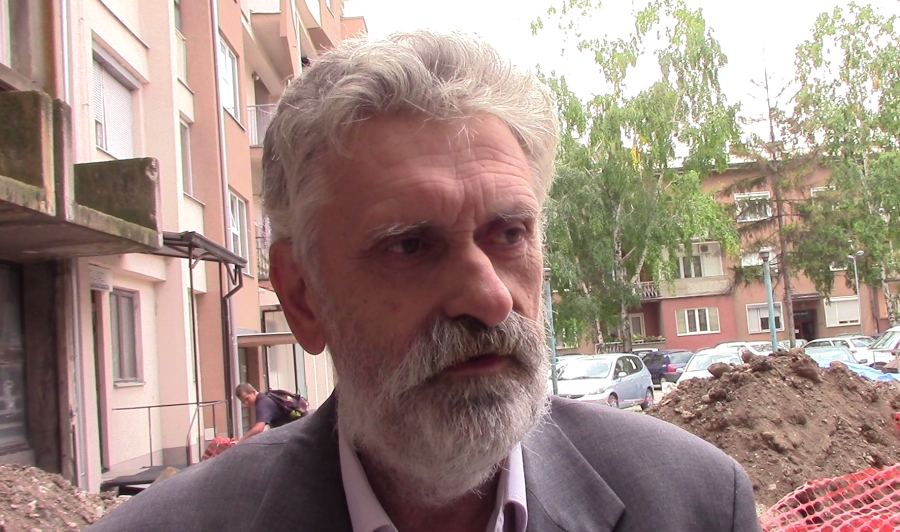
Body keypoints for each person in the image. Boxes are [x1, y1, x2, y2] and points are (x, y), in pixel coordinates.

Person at [90, 30, 761, 532]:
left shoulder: (695, 504)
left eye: (509, 235)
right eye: (410, 246)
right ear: (301, 296)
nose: (490, 297)